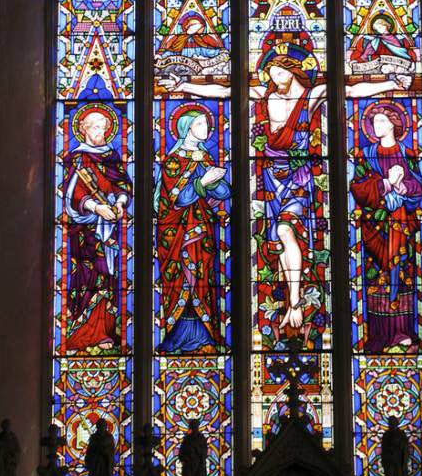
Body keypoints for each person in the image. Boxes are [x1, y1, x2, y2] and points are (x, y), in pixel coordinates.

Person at [165, 43, 400, 334]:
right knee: (277, 239)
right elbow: (224, 92)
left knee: (286, 231)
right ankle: (288, 302)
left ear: (292, 71)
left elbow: (350, 90)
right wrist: (184, 85)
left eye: (278, 72)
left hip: (298, 179)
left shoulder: (311, 96)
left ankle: (295, 301)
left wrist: (391, 83)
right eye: (271, 73)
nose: (273, 78)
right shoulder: (264, 95)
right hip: (270, 181)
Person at [154, 103, 229, 352]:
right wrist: (203, 182)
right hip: (176, 232)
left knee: (203, 277)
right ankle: (177, 338)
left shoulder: (206, 158)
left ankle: (206, 337)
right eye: (200, 124)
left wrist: (214, 182)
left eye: (207, 124)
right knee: (181, 279)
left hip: (203, 229)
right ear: (186, 128)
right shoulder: (172, 161)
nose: (206, 128)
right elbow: (179, 198)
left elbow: (224, 193)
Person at [350, 101, 422, 350]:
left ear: (393, 124)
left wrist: (402, 187)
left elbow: (420, 185)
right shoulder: (365, 155)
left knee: (403, 277)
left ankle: (404, 332)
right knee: (376, 279)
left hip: (402, 226)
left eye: (381, 121)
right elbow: (357, 188)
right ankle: (379, 335)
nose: (376, 126)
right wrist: (386, 184)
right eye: (374, 122)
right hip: (375, 227)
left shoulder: (408, 154)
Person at [64, 107, 132, 352]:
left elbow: (122, 184)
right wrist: (95, 207)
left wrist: (120, 203)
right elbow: (72, 193)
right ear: (83, 129)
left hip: (110, 228)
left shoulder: (111, 156)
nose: (99, 132)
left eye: (103, 127)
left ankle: (106, 332)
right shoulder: (76, 158)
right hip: (85, 230)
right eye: (94, 127)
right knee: (89, 275)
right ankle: (83, 332)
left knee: (110, 276)